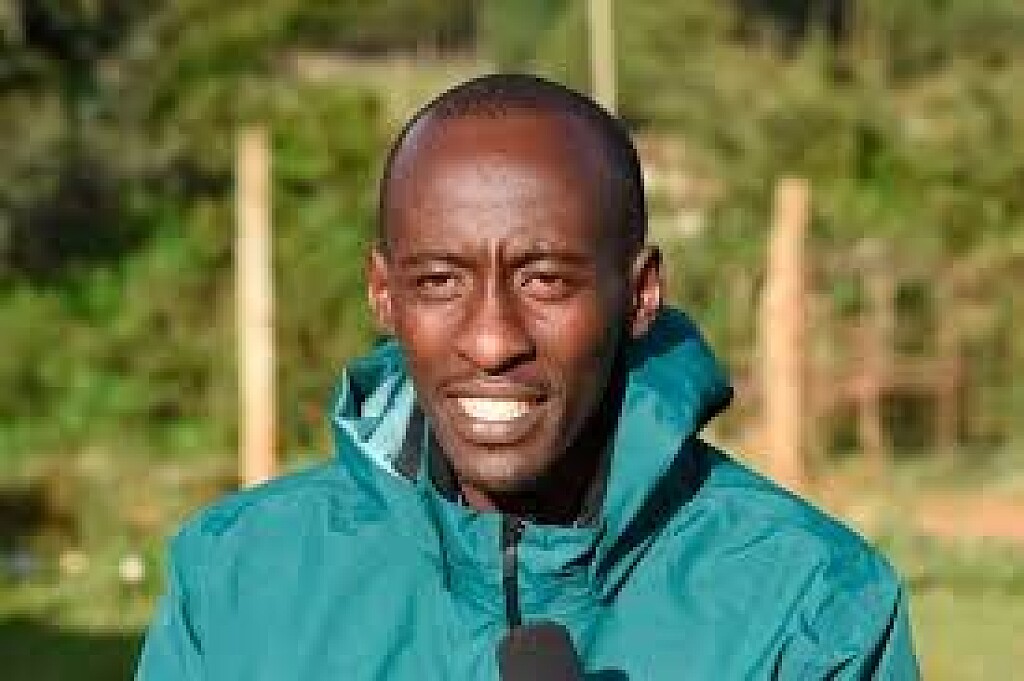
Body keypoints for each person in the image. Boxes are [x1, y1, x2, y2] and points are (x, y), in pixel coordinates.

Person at [136, 74, 919, 680]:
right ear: (384, 294)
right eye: (439, 280)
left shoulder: (810, 602)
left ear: (640, 294)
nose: (490, 340)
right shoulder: (236, 577)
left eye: (545, 280)